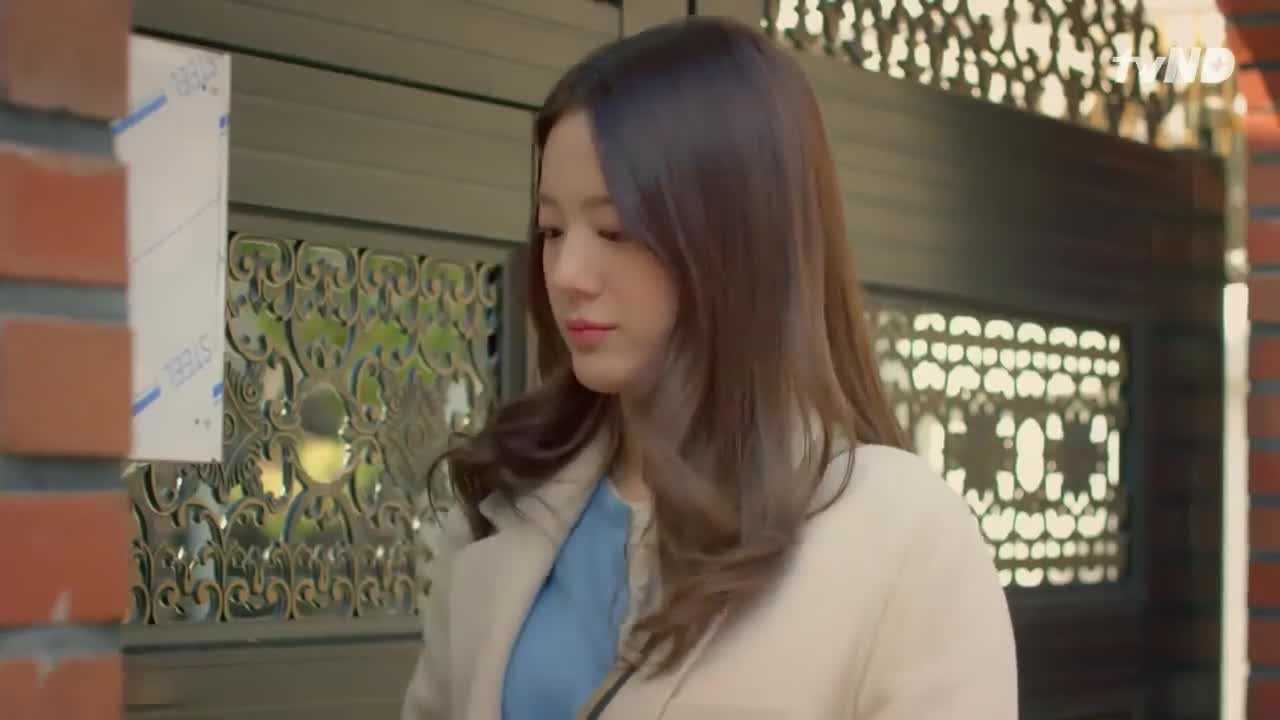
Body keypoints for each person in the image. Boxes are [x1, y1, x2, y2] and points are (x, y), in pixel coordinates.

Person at [402, 15, 1017, 720]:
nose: (567, 273)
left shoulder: (896, 534)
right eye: (551, 230)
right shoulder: (507, 496)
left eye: (614, 230)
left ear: (736, 238)